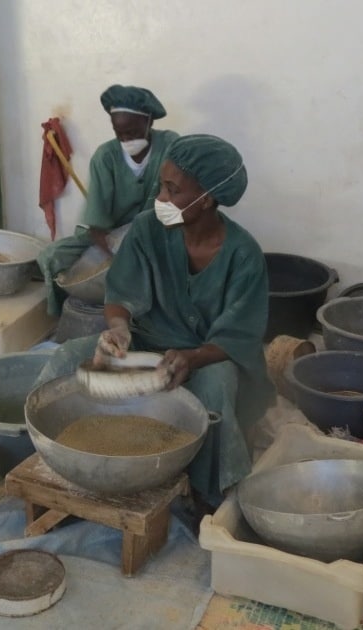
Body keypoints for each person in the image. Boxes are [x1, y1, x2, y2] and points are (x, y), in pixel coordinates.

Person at [35, 134, 276, 507]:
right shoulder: (147, 228)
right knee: (66, 358)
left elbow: (238, 335)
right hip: (147, 343)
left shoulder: (244, 255)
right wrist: (118, 329)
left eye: (171, 189)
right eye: (161, 186)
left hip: (211, 355)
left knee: (213, 391)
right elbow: (121, 294)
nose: (160, 199)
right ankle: (60, 464)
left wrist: (192, 358)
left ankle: (208, 494)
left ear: (207, 198)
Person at [38, 85, 179, 316]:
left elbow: (178, 200)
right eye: (119, 133)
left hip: (159, 230)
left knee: (159, 258)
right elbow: (97, 224)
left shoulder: (171, 146)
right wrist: (114, 253)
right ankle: (68, 312)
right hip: (112, 237)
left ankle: (154, 313)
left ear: (149, 122)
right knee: (51, 257)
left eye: (132, 132)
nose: (126, 139)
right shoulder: (105, 157)